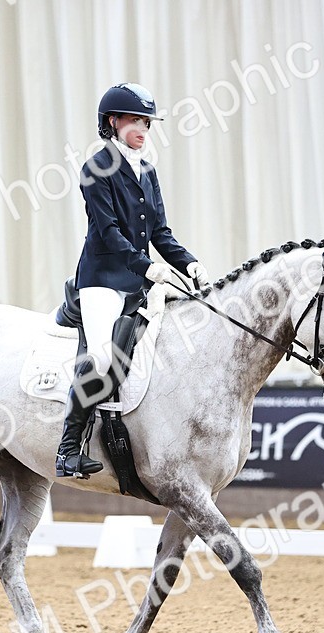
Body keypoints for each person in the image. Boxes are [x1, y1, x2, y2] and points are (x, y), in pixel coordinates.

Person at [55, 82, 208, 479]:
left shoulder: (147, 170)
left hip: (138, 281)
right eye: (137, 120)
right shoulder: (95, 168)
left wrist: (187, 262)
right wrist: (148, 267)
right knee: (102, 358)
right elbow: (107, 232)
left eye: (147, 121)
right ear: (113, 122)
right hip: (102, 280)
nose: (144, 127)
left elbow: (160, 232)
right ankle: (68, 448)